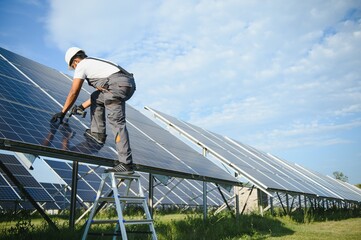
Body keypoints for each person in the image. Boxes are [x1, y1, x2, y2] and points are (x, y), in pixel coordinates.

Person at [51, 47, 136, 174]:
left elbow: (74, 92)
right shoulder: (95, 62)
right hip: (126, 84)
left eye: (73, 67)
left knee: (117, 122)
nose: (74, 69)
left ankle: (125, 163)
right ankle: (97, 133)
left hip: (116, 85)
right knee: (96, 96)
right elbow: (103, 91)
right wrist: (81, 107)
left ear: (74, 62)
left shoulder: (82, 65)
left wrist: (63, 112)